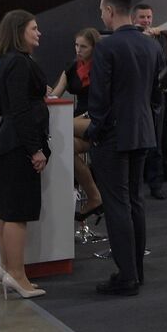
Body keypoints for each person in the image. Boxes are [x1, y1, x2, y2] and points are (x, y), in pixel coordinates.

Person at [87, 0, 165, 296]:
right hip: (143, 132)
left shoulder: (107, 47)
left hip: (114, 137)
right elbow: (158, 97)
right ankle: (136, 271)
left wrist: (95, 129)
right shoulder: (151, 46)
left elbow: (100, 98)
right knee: (135, 201)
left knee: (117, 204)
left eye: (101, 12)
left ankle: (126, 276)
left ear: (109, 11)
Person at [0, 10, 50, 299]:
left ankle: (7, 269)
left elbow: (1, 106)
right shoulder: (19, 63)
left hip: (9, 144)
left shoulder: (7, 62)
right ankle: (17, 274)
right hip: (18, 146)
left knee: (6, 210)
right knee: (17, 213)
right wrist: (35, 149)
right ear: (19, 31)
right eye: (34, 28)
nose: (38, 33)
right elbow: (19, 109)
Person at [49, 27, 103, 220]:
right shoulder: (72, 66)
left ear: (94, 48)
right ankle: (94, 196)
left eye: (84, 47)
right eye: (76, 45)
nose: (78, 50)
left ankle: (93, 196)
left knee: (58, 128)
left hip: (96, 119)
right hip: (78, 119)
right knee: (64, 147)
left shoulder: (102, 67)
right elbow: (55, 94)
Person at [143, 27, 167, 200]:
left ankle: (155, 184)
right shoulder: (147, 42)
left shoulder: (161, 41)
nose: (146, 21)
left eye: (148, 17)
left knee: (156, 145)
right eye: (142, 17)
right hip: (144, 100)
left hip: (156, 101)